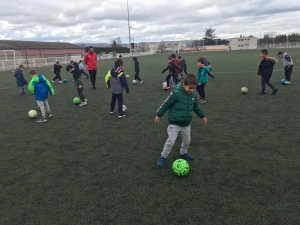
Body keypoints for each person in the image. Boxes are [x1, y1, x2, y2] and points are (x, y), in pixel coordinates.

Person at [155, 74, 207, 166]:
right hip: (174, 123)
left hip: (186, 124)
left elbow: (196, 107)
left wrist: (202, 116)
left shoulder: (193, 96)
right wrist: (159, 114)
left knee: (187, 141)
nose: (191, 90)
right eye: (189, 88)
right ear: (183, 85)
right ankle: (163, 156)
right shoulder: (176, 93)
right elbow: (166, 104)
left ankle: (183, 153)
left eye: (193, 89)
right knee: (171, 141)